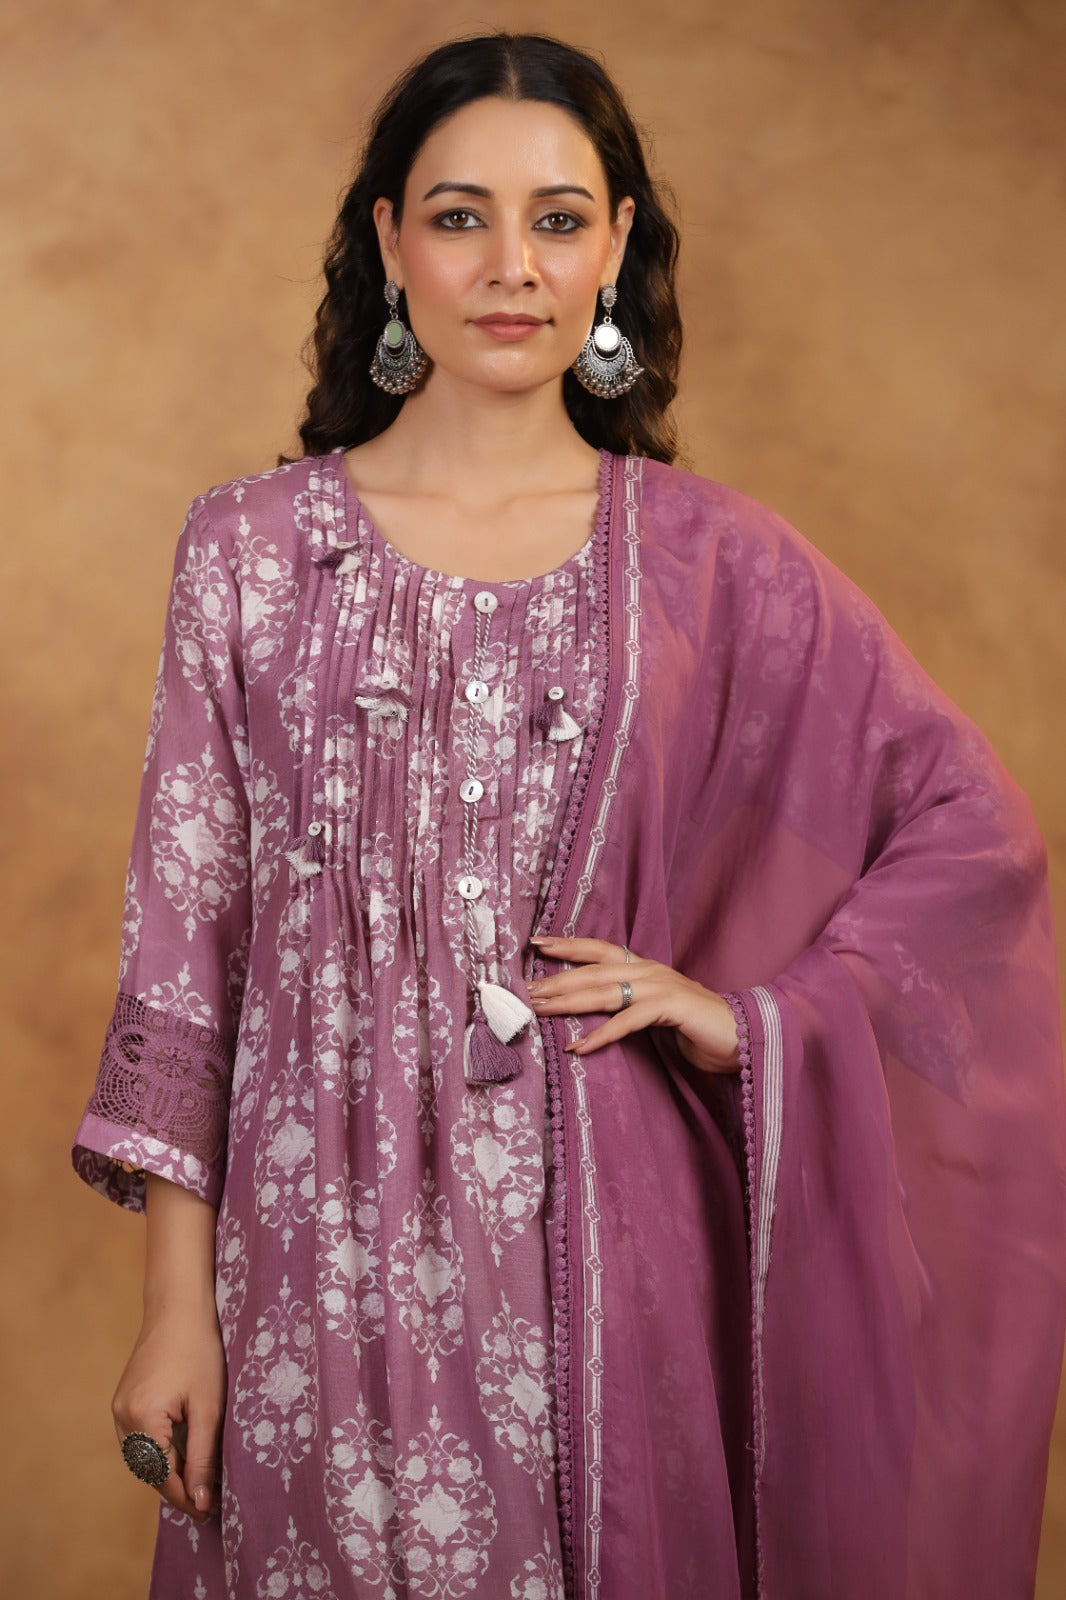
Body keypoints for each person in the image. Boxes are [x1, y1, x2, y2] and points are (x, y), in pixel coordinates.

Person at [72, 29, 1065, 1600]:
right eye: (459, 216)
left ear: (613, 246)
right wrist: (174, 1309)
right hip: (299, 1260)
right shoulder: (248, 552)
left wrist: (753, 1020)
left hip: (598, 1256)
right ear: (388, 240)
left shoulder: (707, 562)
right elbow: (190, 948)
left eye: (556, 219)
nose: (510, 266)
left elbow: (966, 831)